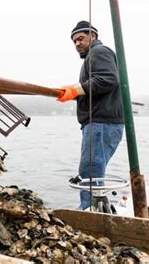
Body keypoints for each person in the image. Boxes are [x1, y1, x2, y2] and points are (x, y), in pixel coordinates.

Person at [57, 21, 125, 210]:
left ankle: (90, 211)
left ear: (93, 36)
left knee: (90, 171)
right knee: (94, 170)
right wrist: (75, 93)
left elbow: (107, 80)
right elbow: (98, 85)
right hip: (106, 123)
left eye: (81, 38)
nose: (77, 43)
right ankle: (101, 208)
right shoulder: (93, 56)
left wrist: (75, 90)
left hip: (101, 123)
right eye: (74, 41)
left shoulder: (98, 52)